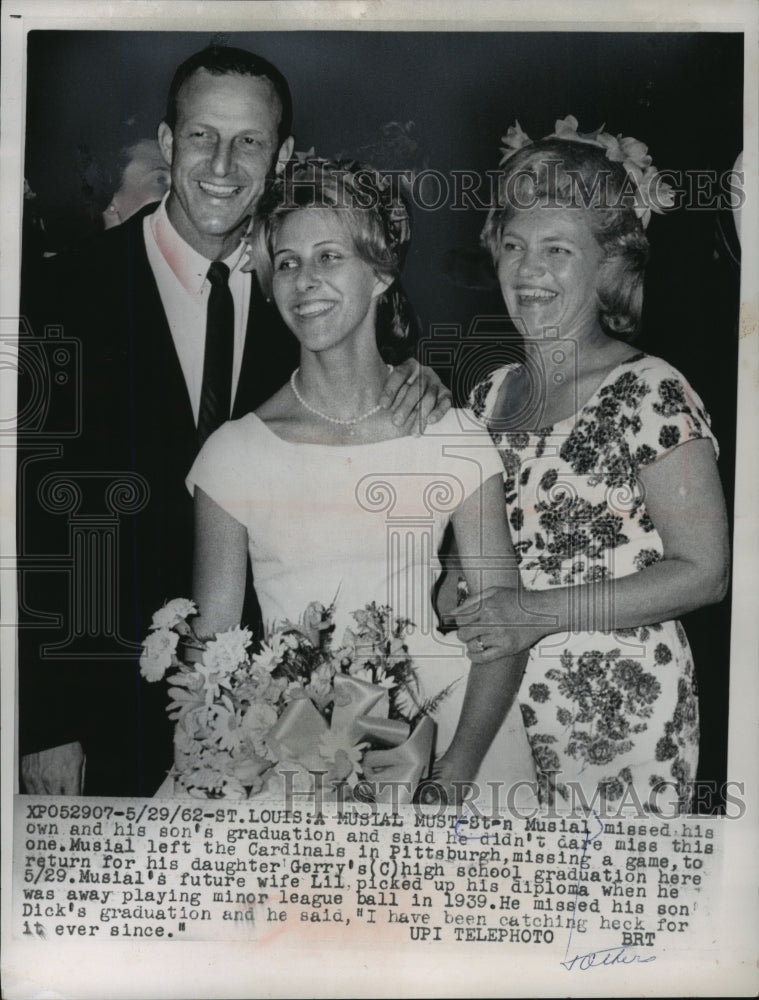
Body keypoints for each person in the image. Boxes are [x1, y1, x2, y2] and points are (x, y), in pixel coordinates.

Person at [18, 45, 450, 796]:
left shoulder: (304, 299)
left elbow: (372, 377)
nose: (221, 163)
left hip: (278, 726)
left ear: (279, 156)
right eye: (200, 136)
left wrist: (420, 379)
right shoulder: (59, 295)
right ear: (165, 143)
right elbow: (21, 519)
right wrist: (43, 721)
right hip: (95, 712)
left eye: (248, 140)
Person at [186, 159, 536, 798]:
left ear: (381, 271)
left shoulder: (451, 434)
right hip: (288, 748)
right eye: (287, 263)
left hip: (449, 737)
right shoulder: (232, 454)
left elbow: (504, 624)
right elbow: (213, 655)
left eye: (328, 257)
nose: (304, 282)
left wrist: (453, 774)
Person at [453, 117, 730, 812]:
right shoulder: (486, 396)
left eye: (556, 249)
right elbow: (484, 553)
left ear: (608, 263)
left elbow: (705, 570)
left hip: (618, 721)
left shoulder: (650, 389)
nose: (528, 270)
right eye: (513, 245)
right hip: (495, 715)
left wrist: (533, 612)